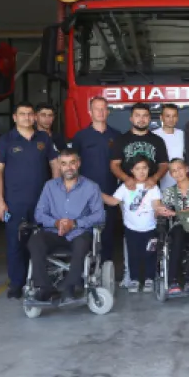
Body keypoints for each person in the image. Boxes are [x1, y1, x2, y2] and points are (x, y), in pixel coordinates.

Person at [0, 101, 59, 300]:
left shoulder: (44, 139)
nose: (27, 117)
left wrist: (55, 195)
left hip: (42, 203)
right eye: (22, 114)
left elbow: (55, 165)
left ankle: (40, 282)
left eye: (30, 114)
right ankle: (16, 284)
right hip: (14, 202)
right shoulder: (5, 141)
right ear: (15, 117)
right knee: (15, 243)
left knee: (40, 243)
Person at [28, 148, 106, 304]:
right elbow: (39, 214)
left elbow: (100, 215)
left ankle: (69, 287)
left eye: (72, 163)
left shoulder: (91, 187)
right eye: (64, 164)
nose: (68, 167)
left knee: (82, 243)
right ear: (59, 166)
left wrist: (75, 223)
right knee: (35, 241)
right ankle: (45, 289)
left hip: (79, 233)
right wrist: (56, 223)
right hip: (54, 232)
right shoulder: (49, 186)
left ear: (78, 163)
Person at [70, 96, 122, 266]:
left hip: (111, 193)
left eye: (103, 109)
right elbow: (72, 167)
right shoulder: (80, 137)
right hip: (85, 194)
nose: (100, 112)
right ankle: (86, 269)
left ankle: (106, 268)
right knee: (85, 233)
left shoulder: (117, 135)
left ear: (108, 112)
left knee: (108, 234)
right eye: (96, 109)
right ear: (90, 112)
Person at [154, 158, 189, 296]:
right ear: (171, 174)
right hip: (181, 224)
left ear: (186, 169)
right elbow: (161, 208)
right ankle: (173, 280)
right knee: (177, 237)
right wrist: (160, 210)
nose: (177, 173)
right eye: (173, 171)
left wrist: (176, 212)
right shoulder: (169, 191)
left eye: (179, 168)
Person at [113, 156, 163, 293]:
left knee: (150, 254)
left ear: (149, 170)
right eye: (138, 169)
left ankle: (149, 279)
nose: (141, 172)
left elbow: (157, 205)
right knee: (133, 254)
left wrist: (161, 211)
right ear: (131, 171)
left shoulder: (153, 187)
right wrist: (97, 192)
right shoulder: (125, 187)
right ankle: (134, 279)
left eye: (144, 168)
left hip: (150, 228)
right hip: (131, 228)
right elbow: (113, 201)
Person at [110, 103, 169, 193]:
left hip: (151, 190)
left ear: (149, 119)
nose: (141, 119)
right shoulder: (121, 140)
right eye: (137, 115)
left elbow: (164, 165)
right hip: (127, 190)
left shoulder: (158, 140)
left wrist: (154, 178)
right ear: (131, 119)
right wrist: (126, 179)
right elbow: (114, 164)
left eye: (145, 116)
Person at [153, 103, 185, 190]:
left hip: (181, 182)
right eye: (167, 116)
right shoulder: (154, 135)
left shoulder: (182, 134)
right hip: (160, 182)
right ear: (161, 117)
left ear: (177, 118)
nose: (171, 119)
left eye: (174, 116)